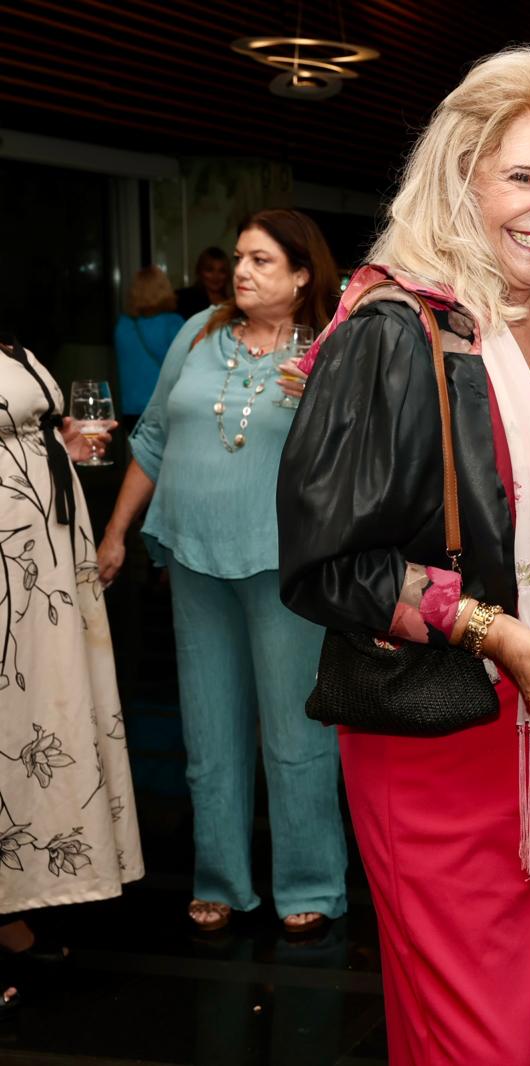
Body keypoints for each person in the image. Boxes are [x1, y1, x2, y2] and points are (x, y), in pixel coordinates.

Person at [277, 47, 530, 1066]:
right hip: (448, 746)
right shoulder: (393, 329)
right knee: (486, 1042)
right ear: (462, 178)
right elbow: (324, 565)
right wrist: (492, 628)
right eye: (522, 176)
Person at [95, 209, 346, 937]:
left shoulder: (327, 348)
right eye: (240, 257)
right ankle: (221, 880)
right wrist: (117, 533)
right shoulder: (198, 331)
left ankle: (311, 881)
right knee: (208, 731)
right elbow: (152, 438)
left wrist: (322, 406)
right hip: (193, 556)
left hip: (284, 564)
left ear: (303, 276)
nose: (242, 272)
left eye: (263, 261)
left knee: (295, 735)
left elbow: (360, 459)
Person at [0, 333, 143, 1011]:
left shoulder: (13, 344)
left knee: (34, 717)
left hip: (44, 564)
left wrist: (66, 444)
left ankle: (17, 901)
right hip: (11, 564)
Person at [113, 266, 185, 419]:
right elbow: (185, 365)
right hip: (163, 408)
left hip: (130, 410)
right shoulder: (172, 323)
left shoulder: (123, 325)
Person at [174, 246, 231, 321]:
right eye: (209, 270)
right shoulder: (184, 299)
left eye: (221, 271)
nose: (215, 277)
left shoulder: (234, 303)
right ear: (199, 271)